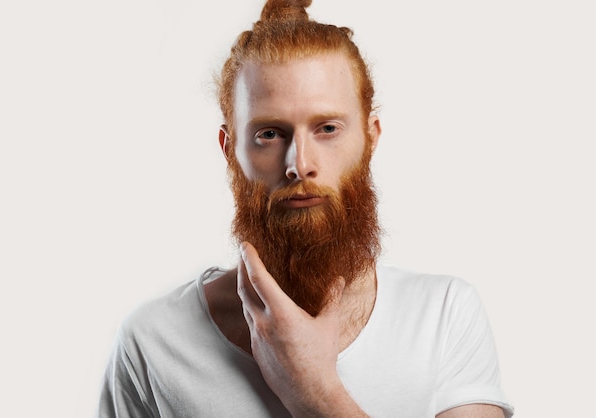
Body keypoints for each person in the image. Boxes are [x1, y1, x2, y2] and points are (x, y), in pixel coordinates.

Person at [97, 0, 514, 416]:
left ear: (370, 139)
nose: (299, 164)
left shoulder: (443, 317)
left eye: (328, 128)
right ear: (229, 150)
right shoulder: (152, 341)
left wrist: (315, 392)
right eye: (269, 134)